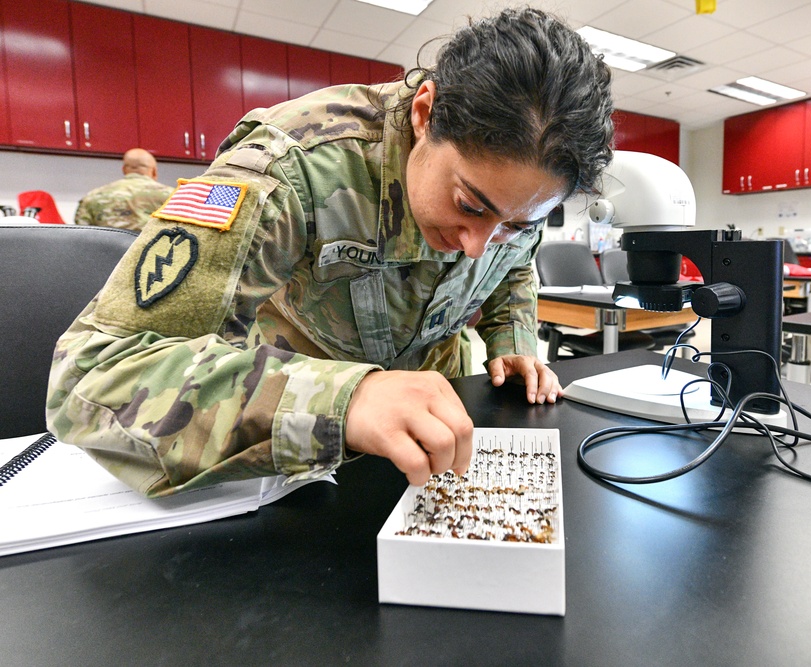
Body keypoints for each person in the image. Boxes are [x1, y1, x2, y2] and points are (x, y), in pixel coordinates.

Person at [47, 7, 615, 497]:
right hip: (287, 442)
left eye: (515, 223)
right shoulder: (287, 167)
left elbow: (511, 264)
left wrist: (511, 337)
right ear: (425, 114)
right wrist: (347, 398)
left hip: (431, 439)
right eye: (469, 206)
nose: (476, 247)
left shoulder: (513, 210)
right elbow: (90, 377)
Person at [73, 148, 173, 230]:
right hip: (151, 253)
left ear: (124, 169)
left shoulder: (93, 196)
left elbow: (82, 232)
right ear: (154, 171)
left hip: (108, 252)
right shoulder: (173, 195)